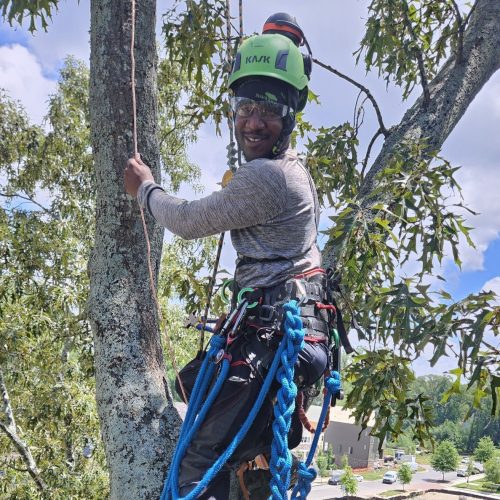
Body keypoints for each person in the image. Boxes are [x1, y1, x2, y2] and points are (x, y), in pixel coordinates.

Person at [125, 14, 334, 499]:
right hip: (284, 334)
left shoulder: (270, 177)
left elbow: (190, 221)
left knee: (195, 467)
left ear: (290, 115)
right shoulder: (290, 168)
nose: (254, 121)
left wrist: (145, 190)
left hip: (275, 340)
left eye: (269, 108)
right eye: (244, 107)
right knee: (246, 455)